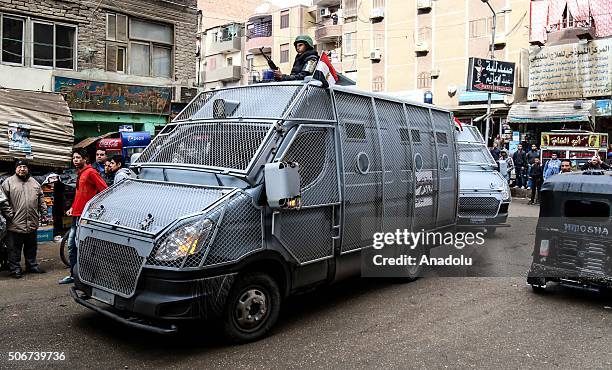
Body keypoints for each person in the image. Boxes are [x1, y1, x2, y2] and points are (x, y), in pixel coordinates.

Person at [59, 149, 108, 285]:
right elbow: (79, 194)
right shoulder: (80, 173)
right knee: (72, 245)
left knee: (82, 246)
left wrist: (92, 208)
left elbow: (104, 191)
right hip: (77, 214)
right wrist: (72, 207)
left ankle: (86, 275)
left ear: (85, 159)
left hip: (85, 216)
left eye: (78, 157)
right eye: (74, 157)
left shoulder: (91, 172)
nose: (75, 160)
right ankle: (74, 275)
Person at [0, 160, 47, 278]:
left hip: (32, 221)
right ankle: (15, 269)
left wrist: (44, 212)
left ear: (27, 169)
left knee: (31, 246)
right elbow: (3, 201)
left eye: (24, 167)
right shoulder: (8, 182)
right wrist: (9, 214)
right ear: (16, 169)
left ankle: (31, 265)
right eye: (19, 167)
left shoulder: (34, 182)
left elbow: (41, 198)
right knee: (14, 248)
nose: (22, 169)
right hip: (15, 223)